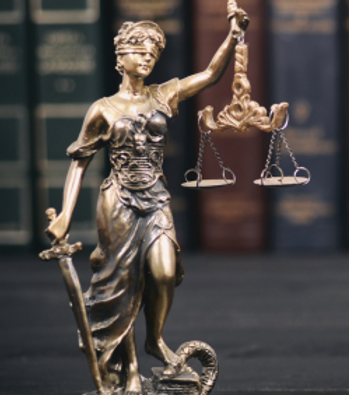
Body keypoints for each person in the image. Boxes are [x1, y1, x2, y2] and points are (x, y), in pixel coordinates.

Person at [46, 10, 249, 395]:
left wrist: (233, 36)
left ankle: (154, 339)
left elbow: (209, 75)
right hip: (118, 201)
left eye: (152, 54)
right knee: (124, 285)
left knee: (163, 272)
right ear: (120, 56)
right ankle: (132, 373)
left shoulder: (163, 94)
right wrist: (65, 219)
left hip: (155, 197)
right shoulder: (103, 109)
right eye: (138, 51)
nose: (146, 58)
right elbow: (79, 164)